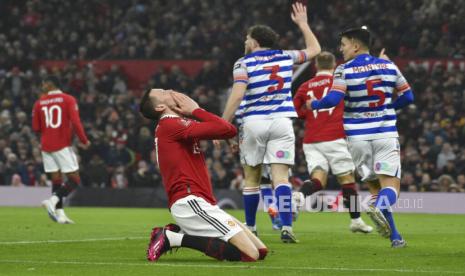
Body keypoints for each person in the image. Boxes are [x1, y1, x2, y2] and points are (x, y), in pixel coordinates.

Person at [221, 2, 321, 243]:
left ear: (254, 41)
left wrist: (222, 126)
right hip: (282, 122)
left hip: (254, 122)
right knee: (281, 179)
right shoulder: (285, 57)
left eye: (247, 39)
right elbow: (315, 49)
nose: (245, 42)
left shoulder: (243, 63)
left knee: (252, 178)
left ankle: (252, 228)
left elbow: (236, 96)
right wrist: (303, 24)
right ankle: (287, 228)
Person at [308, 27, 414, 248]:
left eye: (344, 44)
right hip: (384, 134)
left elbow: (333, 99)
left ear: (355, 45)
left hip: (357, 139)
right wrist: (389, 108)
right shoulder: (389, 65)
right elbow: (408, 96)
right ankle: (379, 211)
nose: (341, 49)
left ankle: (395, 236)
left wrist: (314, 104)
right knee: (390, 187)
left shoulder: (343, 70)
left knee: (375, 187)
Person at [139, 88, 268, 262]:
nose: (169, 90)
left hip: (201, 202)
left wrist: (197, 114)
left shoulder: (177, 124)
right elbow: (228, 129)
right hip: (190, 201)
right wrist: (196, 110)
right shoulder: (170, 124)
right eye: (163, 92)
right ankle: (173, 238)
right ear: (160, 106)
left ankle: (178, 235)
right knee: (249, 254)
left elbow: (224, 130)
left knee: (261, 251)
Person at [293, 51, 372, 233]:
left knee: (318, 179)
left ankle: (299, 195)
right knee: (347, 179)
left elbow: (295, 110)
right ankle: (356, 221)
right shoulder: (340, 83)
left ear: (316, 66)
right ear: (334, 65)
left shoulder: (305, 86)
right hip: (335, 137)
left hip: (311, 139)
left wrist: (310, 114)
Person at [32, 76, 90, 224]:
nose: (42, 85)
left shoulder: (39, 103)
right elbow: (76, 122)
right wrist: (84, 140)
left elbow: (36, 128)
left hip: (46, 146)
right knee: (75, 179)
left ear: (51, 84)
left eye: (43, 82)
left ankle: (60, 214)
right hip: (62, 145)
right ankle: (52, 200)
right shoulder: (68, 99)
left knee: (56, 181)